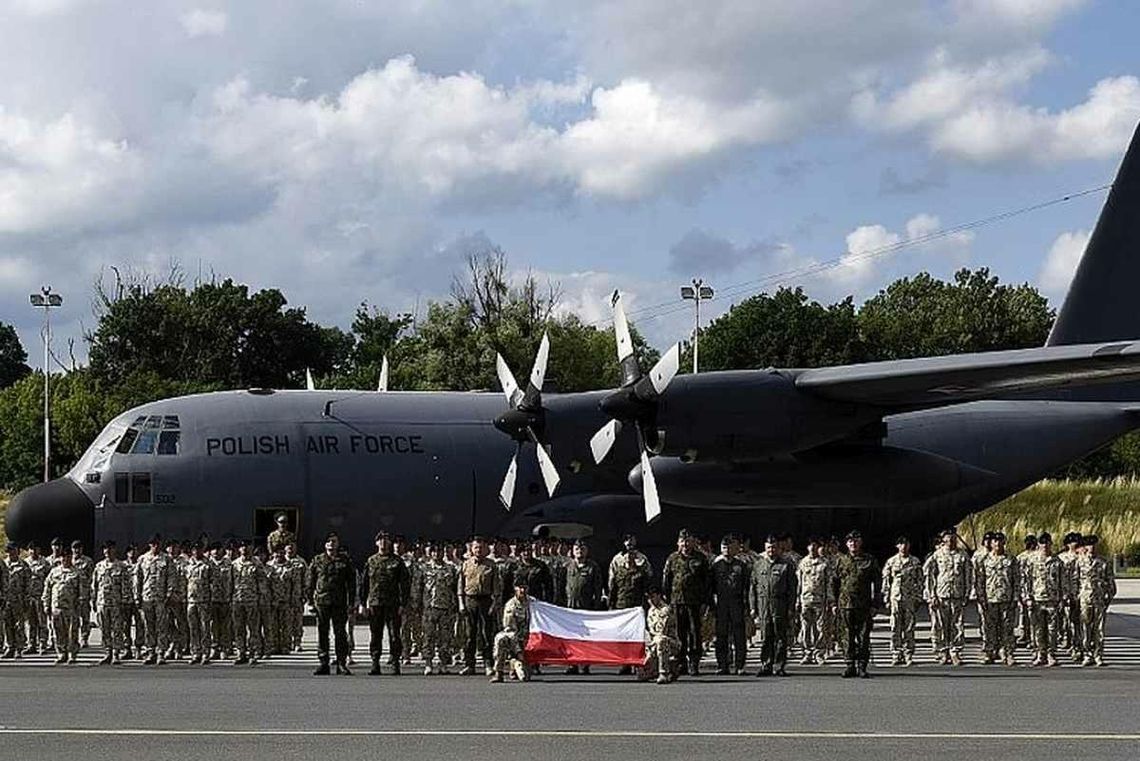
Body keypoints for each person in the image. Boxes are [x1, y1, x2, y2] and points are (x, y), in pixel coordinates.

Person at [662, 529, 711, 676]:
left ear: (693, 542)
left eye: (688, 541)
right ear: (678, 543)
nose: (685, 544)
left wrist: (705, 601)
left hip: (694, 602)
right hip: (677, 602)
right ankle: (681, 661)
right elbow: (667, 579)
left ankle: (694, 662)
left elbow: (707, 582)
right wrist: (667, 598)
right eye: (683, 541)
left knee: (695, 633)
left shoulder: (701, 558)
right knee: (679, 633)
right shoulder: (672, 558)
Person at [833, 530, 881, 679]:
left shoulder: (869, 560)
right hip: (845, 604)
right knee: (846, 635)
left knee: (863, 636)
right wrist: (833, 603)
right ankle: (849, 665)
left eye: (856, 541)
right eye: (850, 541)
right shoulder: (841, 560)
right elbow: (834, 583)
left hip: (863, 605)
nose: (853, 544)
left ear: (861, 543)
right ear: (847, 544)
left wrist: (875, 604)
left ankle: (862, 666)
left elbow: (877, 583)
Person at [308, 532, 356, 675]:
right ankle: (324, 663)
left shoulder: (345, 561)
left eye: (334, 541)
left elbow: (351, 583)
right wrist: (310, 602)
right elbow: (311, 582)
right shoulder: (317, 560)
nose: (331, 544)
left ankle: (341, 663)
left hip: (339, 602)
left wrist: (351, 602)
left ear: (338, 543)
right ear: (325, 545)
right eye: (328, 541)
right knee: (323, 633)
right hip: (322, 602)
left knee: (340, 633)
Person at [363, 531, 411, 675]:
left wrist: (403, 603)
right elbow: (365, 584)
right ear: (376, 543)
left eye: (386, 540)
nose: (384, 542)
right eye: (381, 540)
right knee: (375, 634)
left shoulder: (397, 561)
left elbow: (405, 584)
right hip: (375, 603)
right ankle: (375, 662)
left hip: (393, 604)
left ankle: (395, 662)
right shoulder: (371, 561)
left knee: (395, 635)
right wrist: (362, 603)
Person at [750, 534, 796, 677]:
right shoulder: (759, 564)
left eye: (774, 547)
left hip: (780, 604)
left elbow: (792, 588)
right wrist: (753, 607)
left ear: (778, 548)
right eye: (769, 547)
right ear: (765, 548)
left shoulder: (786, 565)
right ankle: (766, 665)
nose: (771, 550)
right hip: (763, 605)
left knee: (780, 637)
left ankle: (779, 666)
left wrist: (790, 608)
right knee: (765, 637)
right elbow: (753, 588)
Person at [925, 528, 972, 665]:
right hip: (942, 594)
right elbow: (930, 576)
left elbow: (968, 576)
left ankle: (955, 652)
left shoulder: (962, 555)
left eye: (953, 539)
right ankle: (943, 651)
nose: (950, 541)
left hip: (957, 594)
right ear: (943, 540)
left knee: (957, 625)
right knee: (942, 624)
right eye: (947, 539)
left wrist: (967, 594)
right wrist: (931, 595)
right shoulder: (936, 555)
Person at [458, 536, 501, 676]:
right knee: (470, 634)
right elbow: (461, 586)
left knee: (486, 634)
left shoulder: (491, 565)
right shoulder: (465, 564)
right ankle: (469, 664)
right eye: (476, 547)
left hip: (486, 601)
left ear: (486, 549)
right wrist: (461, 604)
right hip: (470, 600)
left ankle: (488, 664)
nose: (479, 550)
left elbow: (496, 588)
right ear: (471, 549)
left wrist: (495, 604)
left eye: (481, 547)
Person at [977, 532, 1019, 666]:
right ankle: (990, 652)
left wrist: (1015, 598)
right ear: (991, 543)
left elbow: (1016, 580)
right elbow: (980, 581)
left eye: (1000, 541)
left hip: (1006, 598)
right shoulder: (984, 560)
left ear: (1004, 542)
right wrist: (981, 598)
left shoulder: (1011, 560)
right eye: (995, 541)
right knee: (990, 627)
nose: (998, 544)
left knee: (1007, 627)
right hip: (990, 599)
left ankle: (1008, 653)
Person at [418, 540, 459, 675]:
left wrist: (456, 606)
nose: (437, 554)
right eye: (434, 551)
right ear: (430, 553)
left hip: (445, 607)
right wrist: (417, 605)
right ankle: (428, 663)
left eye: (440, 551)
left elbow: (455, 588)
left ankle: (443, 663)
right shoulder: (423, 568)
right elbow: (418, 588)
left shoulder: (450, 569)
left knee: (445, 637)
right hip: (429, 607)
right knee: (428, 637)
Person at [1023, 532, 1064, 667]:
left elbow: (1062, 582)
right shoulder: (1032, 560)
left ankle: (1051, 654)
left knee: (1052, 630)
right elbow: (1026, 580)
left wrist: (1062, 599)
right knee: (1038, 629)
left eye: (1047, 543)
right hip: (1037, 600)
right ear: (1038, 544)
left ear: (1051, 544)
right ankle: (1040, 654)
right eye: (1042, 543)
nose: (1045, 545)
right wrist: (1027, 597)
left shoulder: (1057, 561)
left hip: (1052, 600)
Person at [711, 534, 750, 675]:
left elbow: (747, 586)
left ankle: (740, 665)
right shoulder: (716, 565)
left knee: (739, 635)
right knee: (721, 635)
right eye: (724, 547)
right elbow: (711, 586)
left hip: (737, 603)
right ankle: (723, 664)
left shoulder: (741, 565)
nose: (726, 550)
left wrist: (748, 607)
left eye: (729, 547)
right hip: (721, 603)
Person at [564, 539, 604, 675]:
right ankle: (572, 664)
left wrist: (597, 604)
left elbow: (598, 588)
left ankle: (585, 664)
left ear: (586, 551)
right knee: (571, 636)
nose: (579, 551)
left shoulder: (593, 567)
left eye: (582, 549)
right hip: (570, 607)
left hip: (586, 607)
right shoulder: (568, 566)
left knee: (585, 637)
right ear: (573, 551)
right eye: (576, 549)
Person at [882, 536, 922, 666]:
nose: (903, 546)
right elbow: (886, 582)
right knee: (895, 627)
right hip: (896, 598)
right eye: (901, 544)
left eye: (906, 544)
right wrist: (886, 598)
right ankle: (896, 654)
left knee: (909, 628)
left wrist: (918, 597)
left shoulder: (915, 562)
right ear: (897, 546)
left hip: (909, 599)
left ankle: (908, 654)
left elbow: (920, 581)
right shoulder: (891, 561)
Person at [1076, 535, 1116, 667]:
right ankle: (1087, 654)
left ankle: (1098, 655)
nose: (1091, 547)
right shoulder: (1079, 562)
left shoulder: (1103, 562)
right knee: (1086, 629)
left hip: (1099, 600)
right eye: (1089, 545)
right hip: (1085, 599)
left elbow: (1111, 582)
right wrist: (1075, 596)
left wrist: (1108, 598)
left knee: (1099, 630)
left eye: (1094, 545)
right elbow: (1074, 581)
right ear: (1085, 547)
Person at [135, 534, 171, 665]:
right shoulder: (142, 559)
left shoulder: (166, 559)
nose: (156, 546)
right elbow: (137, 579)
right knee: (148, 626)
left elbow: (171, 578)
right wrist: (137, 597)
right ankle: (150, 651)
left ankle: (161, 652)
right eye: (153, 543)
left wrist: (169, 595)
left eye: (158, 543)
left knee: (162, 626)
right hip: (147, 598)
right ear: (150, 544)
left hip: (161, 598)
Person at [797, 537, 832, 665]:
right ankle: (807, 653)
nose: (812, 548)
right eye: (810, 545)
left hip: (820, 600)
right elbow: (799, 583)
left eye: (815, 545)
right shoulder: (802, 563)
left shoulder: (825, 563)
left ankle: (819, 653)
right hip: (805, 599)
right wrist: (797, 600)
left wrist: (830, 601)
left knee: (821, 628)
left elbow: (828, 583)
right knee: (805, 628)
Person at [91, 541, 128, 664]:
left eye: (110, 549)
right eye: (105, 549)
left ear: (114, 550)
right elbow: (95, 585)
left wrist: (124, 601)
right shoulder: (99, 566)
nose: (107, 552)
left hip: (116, 603)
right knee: (105, 629)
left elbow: (126, 586)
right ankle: (108, 652)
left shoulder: (121, 566)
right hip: (102, 603)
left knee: (117, 629)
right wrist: (94, 600)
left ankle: (116, 654)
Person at [490, 578, 531, 683]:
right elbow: (509, 628)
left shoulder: (533, 603)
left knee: (524, 677)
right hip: (516, 636)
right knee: (501, 639)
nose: (522, 590)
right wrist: (518, 651)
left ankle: (515, 666)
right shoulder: (511, 605)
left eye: (525, 588)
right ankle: (499, 673)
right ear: (515, 589)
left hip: (530, 636)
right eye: (520, 588)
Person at [43, 551, 81, 664]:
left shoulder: (77, 573)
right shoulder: (54, 572)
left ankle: (72, 654)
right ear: (60, 558)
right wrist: (46, 604)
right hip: (56, 607)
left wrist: (81, 606)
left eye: (68, 557)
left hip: (71, 608)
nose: (66, 559)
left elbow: (82, 591)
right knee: (58, 631)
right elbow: (47, 588)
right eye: (64, 557)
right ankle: (61, 653)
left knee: (72, 632)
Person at [230, 538, 262, 665]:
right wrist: (230, 597)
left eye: (247, 546)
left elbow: (262, 582)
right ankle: (241, 652)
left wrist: (261, 598)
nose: (244, 549)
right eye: (242, 547)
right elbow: (230, 582)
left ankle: (253, 653)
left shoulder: (256, 563)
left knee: (253, 628)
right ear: (239, 549)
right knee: (238, 628)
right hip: (237, 600)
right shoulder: (234, 564)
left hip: (252, 600)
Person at [185, 541, 214, 664]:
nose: (197, 552)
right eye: (195, 550)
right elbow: (184, 581)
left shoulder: (208, 564)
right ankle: (195, 652)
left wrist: (212, 599)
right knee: (193, 628)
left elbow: (213, 583)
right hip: (191, 600)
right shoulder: (187, 564)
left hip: (204, 600)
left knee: (205, 628)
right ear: (192, 551)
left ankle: (205, 653)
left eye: (199, 549)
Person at [643, 585, 679, 684]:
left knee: (661, 640)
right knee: (642, 676)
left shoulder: (665, 610)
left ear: (659, 596)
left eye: (652, 597)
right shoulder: (651, 611)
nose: (650, 600)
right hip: (653, 643)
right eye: (648, 598)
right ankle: (671, 668)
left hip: (669, 642)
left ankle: (664, 673)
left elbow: (661, 631)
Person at [1059, 532, 1084, 661]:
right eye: (1072, 542)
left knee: (1078, 623)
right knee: (1067, 622)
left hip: (1081, 594)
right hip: (1067, 594)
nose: (1075, 544)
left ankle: (1077, 647)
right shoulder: (1061, 558)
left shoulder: (1083, 557)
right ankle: (1068, 641)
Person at [2, 542, 29, 659]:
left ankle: (19, 648)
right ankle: (10, 647)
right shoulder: (3, 564)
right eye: (8, 551)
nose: (10, 553)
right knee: (7, 624)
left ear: (17, 551)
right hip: (5, 600)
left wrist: (27, 599)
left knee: (19, 625)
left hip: (18, 599)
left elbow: (28, 584)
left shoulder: (23, 565)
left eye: (12, 550)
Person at [24, 542, 50, 654]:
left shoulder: (45, 563)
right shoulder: (25, 563)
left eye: (36, 549)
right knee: (30, 623)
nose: (33, 551)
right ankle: (31, 645)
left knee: (42, 622)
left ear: (39, 550)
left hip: (40, 597)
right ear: (28, 550)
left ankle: (43, 645)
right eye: (31, 549)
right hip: (29, 597)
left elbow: (50, 580)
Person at [209, 542, 234, 660]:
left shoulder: (229, 563)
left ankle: (225, 648)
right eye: (213, 549)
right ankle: (215, 648)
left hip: (225, 599)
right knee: (213, 625)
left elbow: (233, 580)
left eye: (218, 549)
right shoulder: (208, 563)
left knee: (225, 625)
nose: (216, 551)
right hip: (211, 599)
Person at [165, 539, 189, 660]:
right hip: (166, 598)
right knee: (167, 624)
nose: (173, 549)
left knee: (182, 624)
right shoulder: (163, 560)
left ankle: (179, 648)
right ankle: (172, 644)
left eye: (175, 547)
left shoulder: (185, 561)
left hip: (180, 598)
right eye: (171, 547)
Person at [267, 546, 291, 655]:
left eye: (281, 553)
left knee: (285, 625)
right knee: (273, 625)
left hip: (285, 599)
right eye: (277, 553)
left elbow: (295, 583)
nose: (279, 555)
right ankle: (274, 646)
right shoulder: (268, 566)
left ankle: (285, 646)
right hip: (272, 600)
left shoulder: (290, 566)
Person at [70, 540, 94, 649]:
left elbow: (92, 578)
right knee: (73, 619)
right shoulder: (68, 561)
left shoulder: (88, 561)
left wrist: (91, 595)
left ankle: (84, 638)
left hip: (84, 595)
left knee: (85, 618)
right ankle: (73, 639)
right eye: (75, 548)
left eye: (78, 548)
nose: (77, 550)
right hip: (71, 596)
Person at [285, 542, 308, 652]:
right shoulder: (280, 561)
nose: (291, 550)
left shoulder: (301, 562)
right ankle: (287, 642)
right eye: (289, 548)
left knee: (297, 620)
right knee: (286, 621)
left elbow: (306, 579)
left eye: (293, 548)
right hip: (283, 597)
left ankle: (297, 642)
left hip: (297, 596)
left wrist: (305, 594)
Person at [1016, 535, 1038, 646]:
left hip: (1032, 589)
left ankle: (1030, 637)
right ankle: (1025, 634)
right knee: (1024, 613)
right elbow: (1018, 575)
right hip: (1024, 587)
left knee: (1029, 614)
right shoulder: (1021, 557)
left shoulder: (1034, 557)